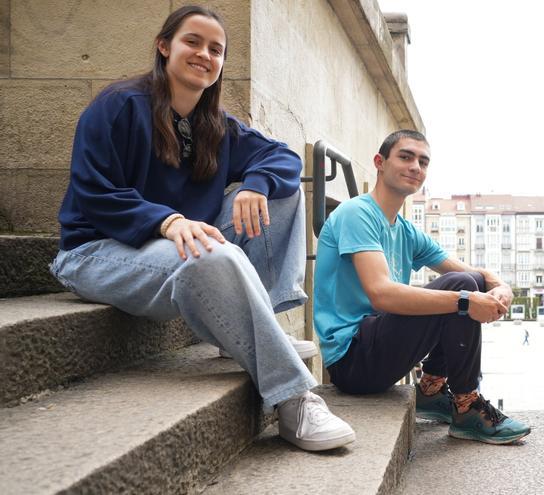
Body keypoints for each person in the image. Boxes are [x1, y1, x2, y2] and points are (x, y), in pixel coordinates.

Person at [48, 6, 354, 451]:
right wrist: (166, 221)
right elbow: (94, 192)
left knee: (283, 192)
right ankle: (293, 400)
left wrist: (255, 183)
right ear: (164, 45)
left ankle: (255, 323)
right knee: (210, 252)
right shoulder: (118, 106)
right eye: (192, 42)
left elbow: (284, 159)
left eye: (216, 49)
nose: (204, 55)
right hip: (95, 252)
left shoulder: (215, 124)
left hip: (177, 245)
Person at [314, 130, 530, 445]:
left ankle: (430, 390)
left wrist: (498, 284)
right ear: (380, 162)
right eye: (405, 157)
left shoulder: (404, 230)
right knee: (462, 292)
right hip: (352, 360)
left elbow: (467, 273)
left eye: (423, 161)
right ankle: (467, 406)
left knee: (467, 284)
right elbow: (381, 293)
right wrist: (466, 301)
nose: (416, 166)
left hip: (377, 347)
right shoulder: (356, 213)